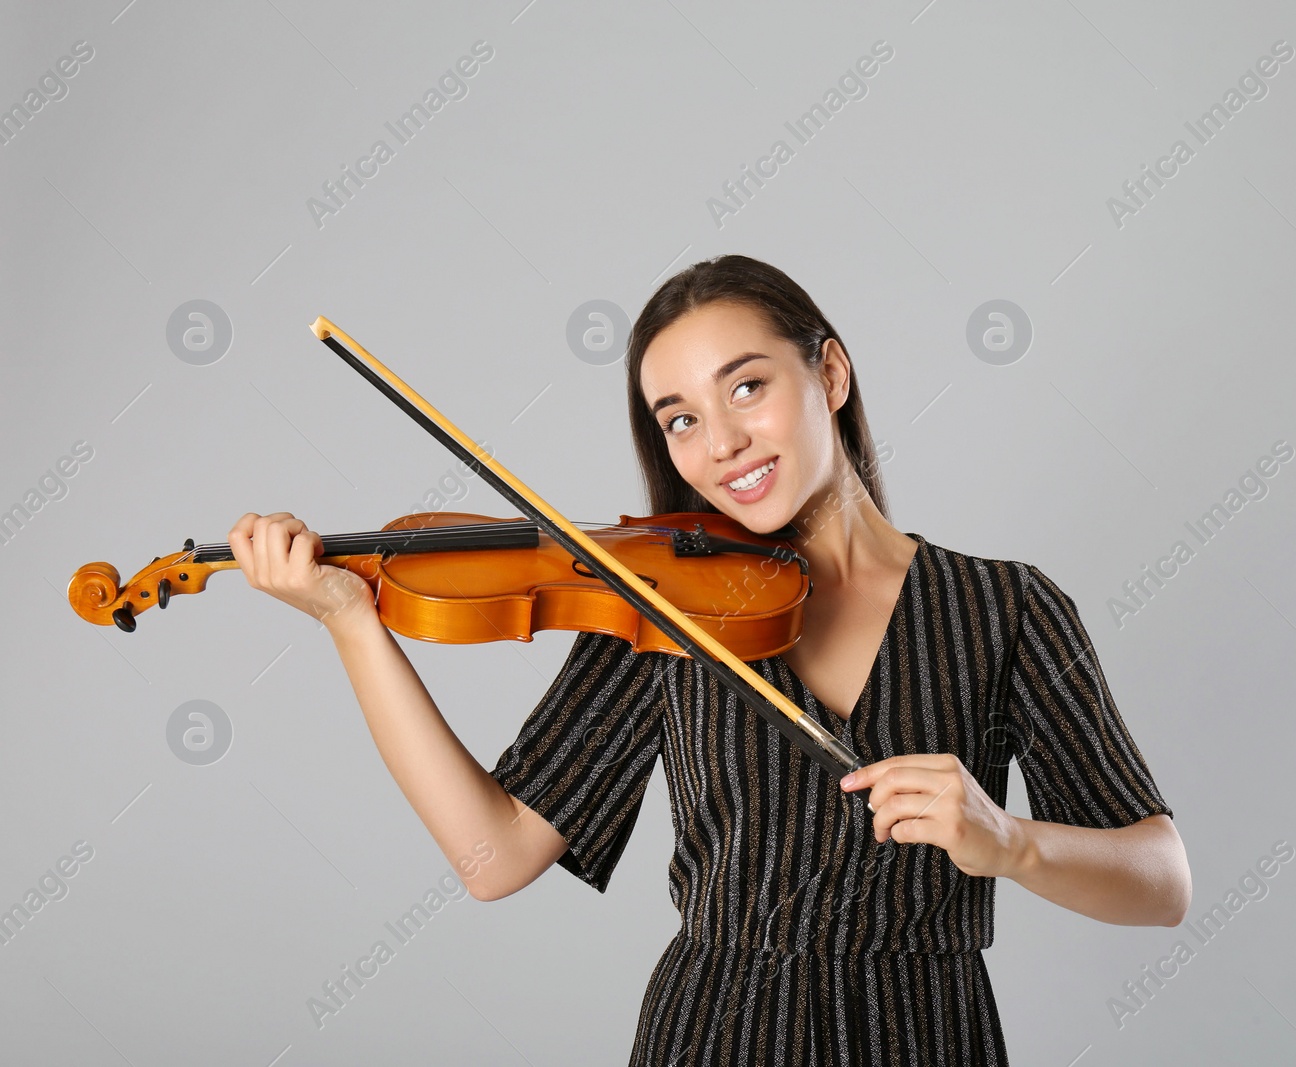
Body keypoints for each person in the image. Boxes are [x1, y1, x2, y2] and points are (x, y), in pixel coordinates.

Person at [228, 254, 1190, 1065]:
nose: (721, 441)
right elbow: (497, 855)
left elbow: (1163, 880)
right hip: (716, 1032)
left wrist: (1011, 842)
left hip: (929, 1033)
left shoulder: (1006, 606)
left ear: (831, 373)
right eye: (680, 417)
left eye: (747, 385)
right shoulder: (659, 601)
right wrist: (353, 622)